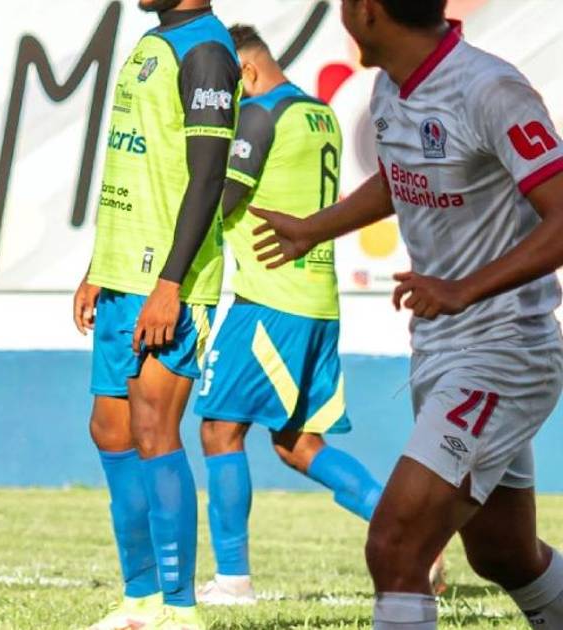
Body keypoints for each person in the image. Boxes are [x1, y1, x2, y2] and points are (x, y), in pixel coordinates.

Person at [253, 1, 563, 627]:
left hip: (504, 352)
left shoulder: (489, 88)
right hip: (444, 350)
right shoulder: (391, 88)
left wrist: (464, 289)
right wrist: (314, 229)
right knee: (503, 554)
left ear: (368, 10)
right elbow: (399, 178)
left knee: (396, 545)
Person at [192, 24, 385, 606]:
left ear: (247, 72)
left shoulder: (259, 115)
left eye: (225, 85)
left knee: (219, 429)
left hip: (270, 300)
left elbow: (219, 200)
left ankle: (232, 582)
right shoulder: (319, 114)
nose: (220, 99)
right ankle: (408, 532)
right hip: (316, 301)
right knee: (296, 443)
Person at [72, 1, 239, 628]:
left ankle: (180, 609)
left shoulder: (206, 51)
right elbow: (133, 163)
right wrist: (98, 264)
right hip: (122, 274)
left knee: (153, 430)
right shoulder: (153, 42)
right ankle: (139, 600)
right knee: (110, 430)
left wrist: (171, 284)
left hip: (169, 281)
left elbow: (207, 178)